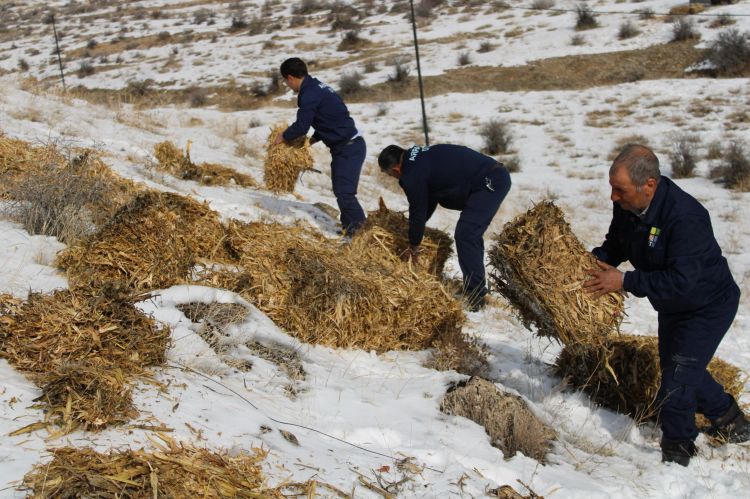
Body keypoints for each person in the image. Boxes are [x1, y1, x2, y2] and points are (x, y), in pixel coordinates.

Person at [584, 144, 749, 466]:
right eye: (611, 188)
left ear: (649, 185)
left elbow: (682, 280)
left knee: (677, 381)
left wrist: (625, 281)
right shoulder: (629, 207)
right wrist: (590, 264)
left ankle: (677, 452)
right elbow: (617, 243)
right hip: (672, 305)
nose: (613, 197)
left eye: (620, 190)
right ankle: (732, 422)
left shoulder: (686, 217)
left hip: (707, 305)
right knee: (682, 368)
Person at [377, 144, 511, 311]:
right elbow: (429, 200)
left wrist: (414, 244)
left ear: (396, 169)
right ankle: (476, 287)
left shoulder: (411, 174)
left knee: (466, 235)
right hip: (491, 175)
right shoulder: (417, 158)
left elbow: (418, 209)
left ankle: (476, 297)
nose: (394, 178)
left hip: (489, 183)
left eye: (390, 174)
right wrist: (416, 228)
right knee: (469, 233)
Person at [274, 57, 366, 236]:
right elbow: (330, 118)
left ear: (290, 77)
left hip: (349, 147)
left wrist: (283, 136)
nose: (287, 84)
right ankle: (349, 229)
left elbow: (302, 126)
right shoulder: (318, 87)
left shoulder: (308, 93)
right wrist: (313, 139)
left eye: (286, 81)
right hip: (346, 146)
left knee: (345, 193)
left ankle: (361, 234)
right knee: (341, 190)